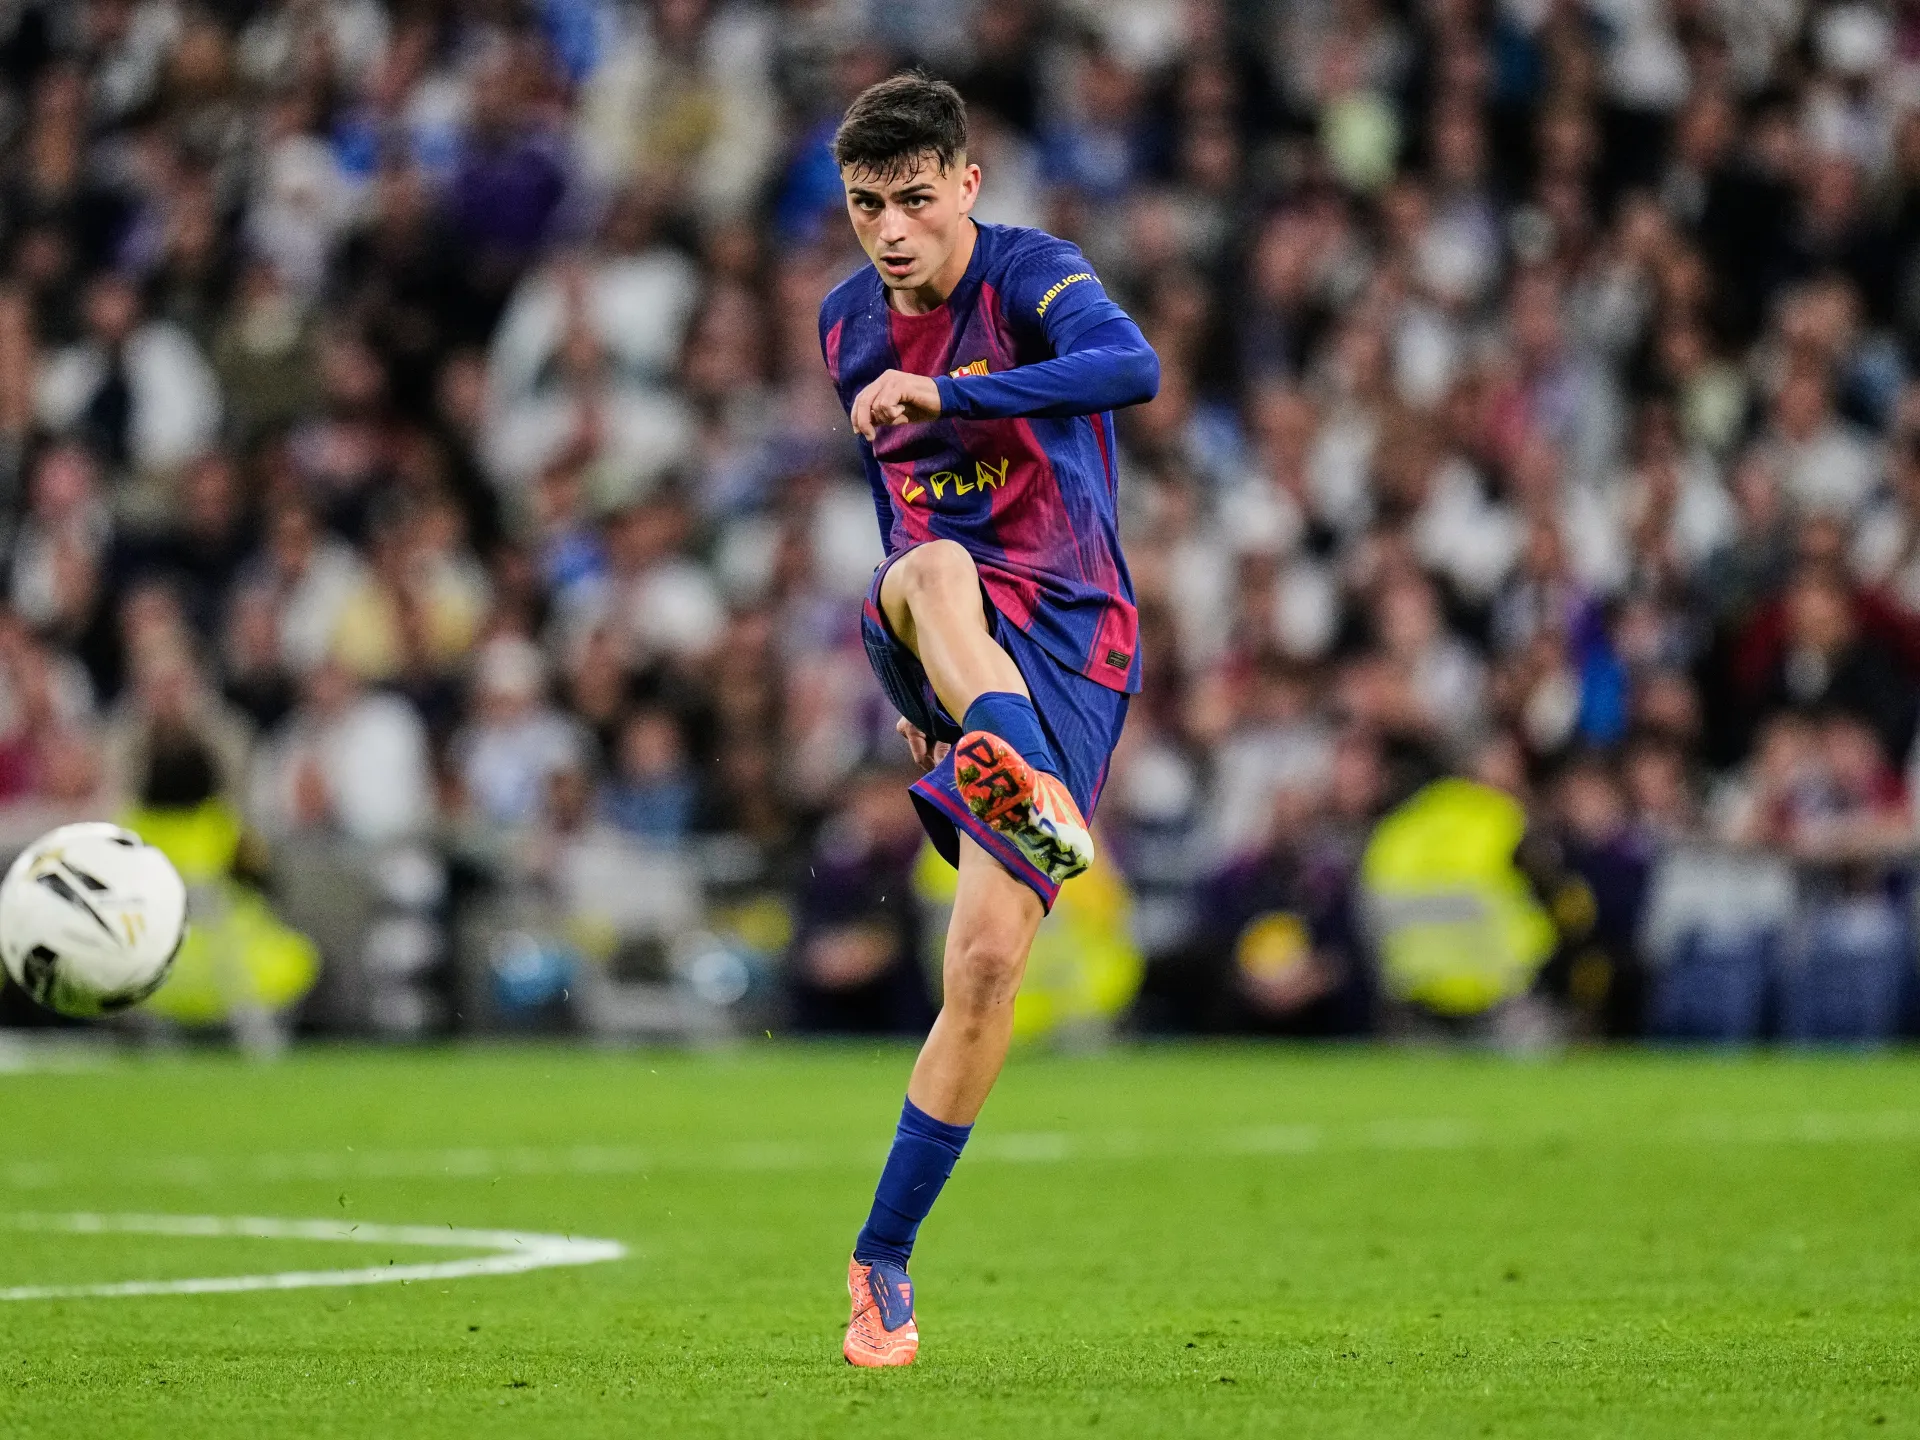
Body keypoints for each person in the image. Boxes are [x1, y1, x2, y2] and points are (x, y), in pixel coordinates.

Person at [816, 73, 1159, 1367]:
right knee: (934, 566)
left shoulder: (1030, 275)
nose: (891, 230)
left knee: (983, 968)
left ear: (967, 182)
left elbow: (1134, 367)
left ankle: (881, 1255)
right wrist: (920, 689)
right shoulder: (847, 323)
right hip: (945, 617)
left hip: (1071, 633)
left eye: (914, 199)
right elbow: (898, 507)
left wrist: (951, 394)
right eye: (867, 206)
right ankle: (1008, 758)